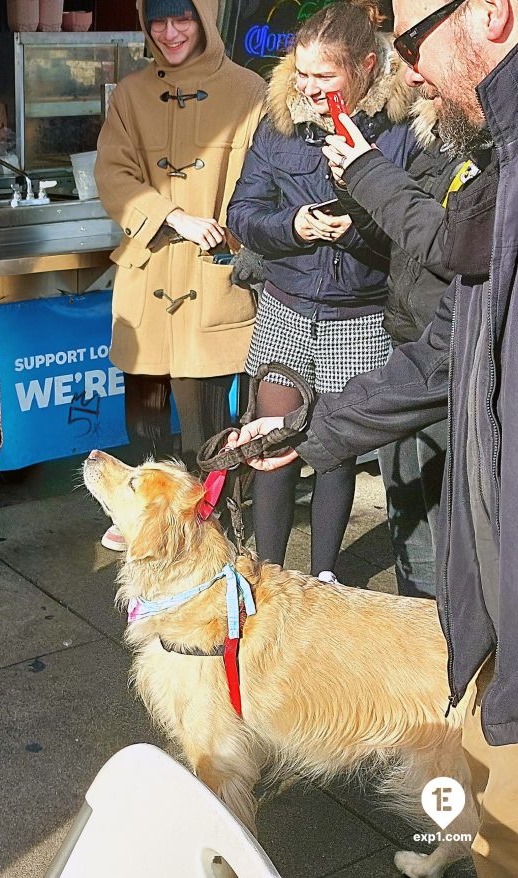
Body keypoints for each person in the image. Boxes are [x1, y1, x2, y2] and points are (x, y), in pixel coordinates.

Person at [231, 0, 518, 872]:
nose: (410, 68)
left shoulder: (436, 138)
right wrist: (310, 433)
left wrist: (366, 184)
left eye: (410, 43)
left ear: (495, 16)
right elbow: (449, 346)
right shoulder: (485, 144)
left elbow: (437, 246)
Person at [225, 0, 418, 582]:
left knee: (337, 451)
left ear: (363, 67)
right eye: (301, 73)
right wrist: (294, 225)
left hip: (357, 315)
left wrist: (358, 226)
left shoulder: (404, 129)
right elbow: (243, 213)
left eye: (324, 77)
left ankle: (325, 575)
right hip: (287, 305)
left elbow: (415, 235)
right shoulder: (279, 121)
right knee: (273, 444)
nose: (308, 88)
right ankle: (269, 570)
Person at [94, 0, 266, 551]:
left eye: (183, 18)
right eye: (158, 21)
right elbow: (113, 172)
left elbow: (268, 179)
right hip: (146, 277)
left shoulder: (249, 91)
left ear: (207, 19)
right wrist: (168, 214)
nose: (169, 33)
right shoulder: (129, 93)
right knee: (143, 419)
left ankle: (214, 528)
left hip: (213, 277)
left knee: (207, 427)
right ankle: (148, 521)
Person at [324, 99, 480, 597]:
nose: (412, 77)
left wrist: (370, 172)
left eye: (416, 55)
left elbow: (450, 248)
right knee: (407, 513)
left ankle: (449, 636)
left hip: (448, 355)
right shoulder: (432, 137)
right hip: (405, 341)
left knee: (446, 521)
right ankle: (418, 621)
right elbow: (390, 241)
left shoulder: (490, 155)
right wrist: (351, 190)